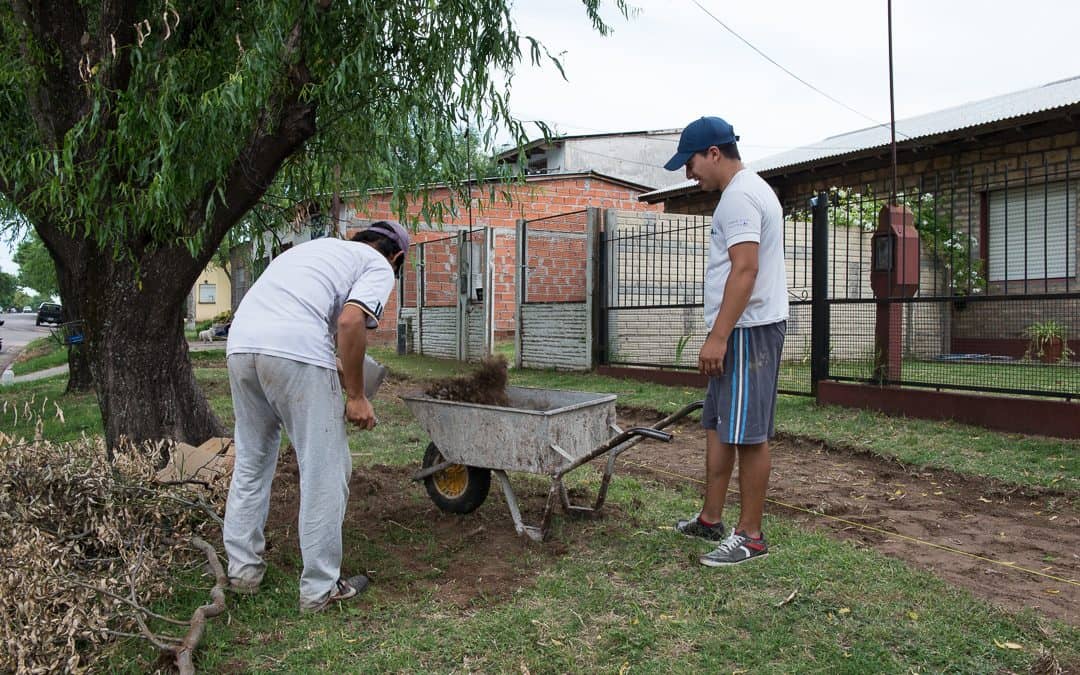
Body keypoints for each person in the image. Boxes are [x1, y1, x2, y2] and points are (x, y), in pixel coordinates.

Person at [223, 221, 409, 612]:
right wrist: (356, 396)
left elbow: (313, 326)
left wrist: (341, 372)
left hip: (241, 345)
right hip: (293, 348)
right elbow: (350, 322)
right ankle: (320, 588)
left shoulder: (315, 252)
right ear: (397, 258)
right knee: (325, 467)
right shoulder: (377, 266)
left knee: (252, 462)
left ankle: (242, 572)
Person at [663, 117, 788, 567]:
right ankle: (711, 519)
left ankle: (750, 536)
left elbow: (745, 269)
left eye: (691, 162)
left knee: (749, 435)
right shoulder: (746, 191)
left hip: (747, 332)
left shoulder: (737, 198)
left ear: (714, 153)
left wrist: (718, 337)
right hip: (739, 330)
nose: (688, 173)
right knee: (719, 426)